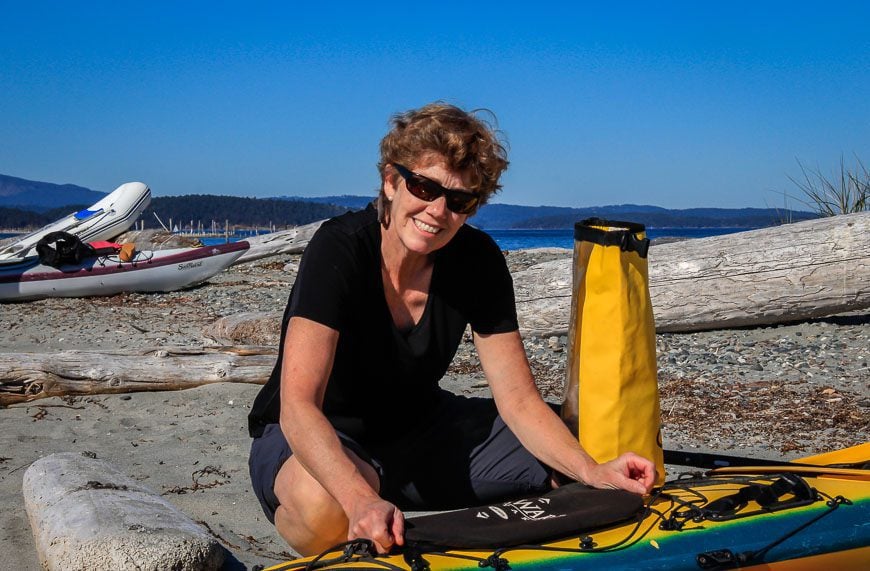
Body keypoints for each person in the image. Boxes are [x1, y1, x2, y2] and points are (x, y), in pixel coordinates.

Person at [248, 102, 655, 556]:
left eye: (460, 201)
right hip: (318, 435)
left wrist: (590, 470)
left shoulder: (477, 260)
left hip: (421, 433)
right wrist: (361, 499)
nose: (438, 211)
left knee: (585, 446)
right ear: (391, 181)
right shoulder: (339, 248)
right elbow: (299, 405)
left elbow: (518, 399)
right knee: (328, 507)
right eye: (424, 187)